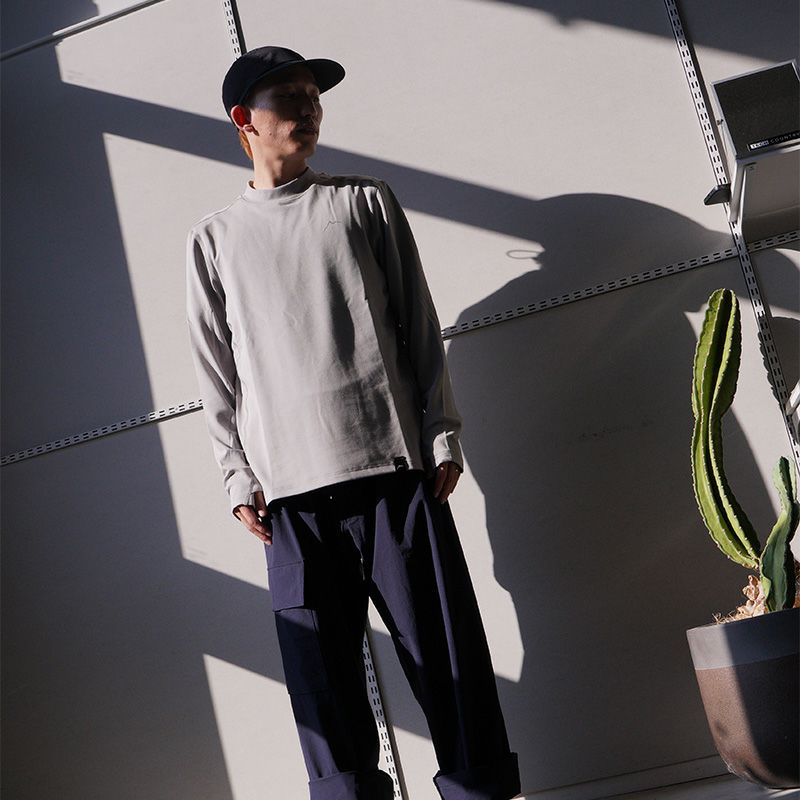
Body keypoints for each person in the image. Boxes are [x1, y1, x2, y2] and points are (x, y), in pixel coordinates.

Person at [185, 45, 520, 800]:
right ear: (244, 119)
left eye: (314, 95)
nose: (310, 109)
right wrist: (237, 477)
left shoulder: (363, 202)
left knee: (451, 668)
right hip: (291, 502)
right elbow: (216, 377)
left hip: (396, 481)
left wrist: (441, 433)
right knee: (324, 695)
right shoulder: (213, 241)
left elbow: (419, 328)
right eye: (289, 97)